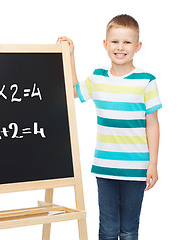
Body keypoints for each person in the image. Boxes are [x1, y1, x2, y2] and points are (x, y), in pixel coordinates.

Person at [57, 14, 162, 240]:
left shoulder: (146, 80)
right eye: (115, 41)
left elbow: (152, 124)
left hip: (136, 168)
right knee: (107, 229)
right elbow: (73, 91)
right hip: (105, 167)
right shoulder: (98, 78)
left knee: (128, 230)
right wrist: (71, 55)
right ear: (105, 45)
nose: (120, 47)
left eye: (127, 42)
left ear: (137, 46)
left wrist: (153, 163)